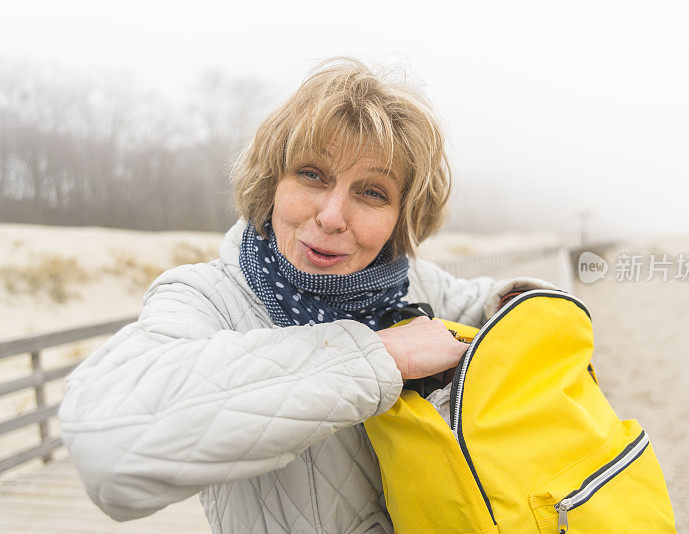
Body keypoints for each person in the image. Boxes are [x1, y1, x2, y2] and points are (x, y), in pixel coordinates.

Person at [58, 58, 558, 534]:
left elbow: (480, 302)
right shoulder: (206, 297)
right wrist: (377, 357)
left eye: (372, 193)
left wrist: (520, 301)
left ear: (400, 220)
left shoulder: (409, 285)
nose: (332, 216)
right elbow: (106, 447)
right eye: (312, 175)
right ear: (272, 181)